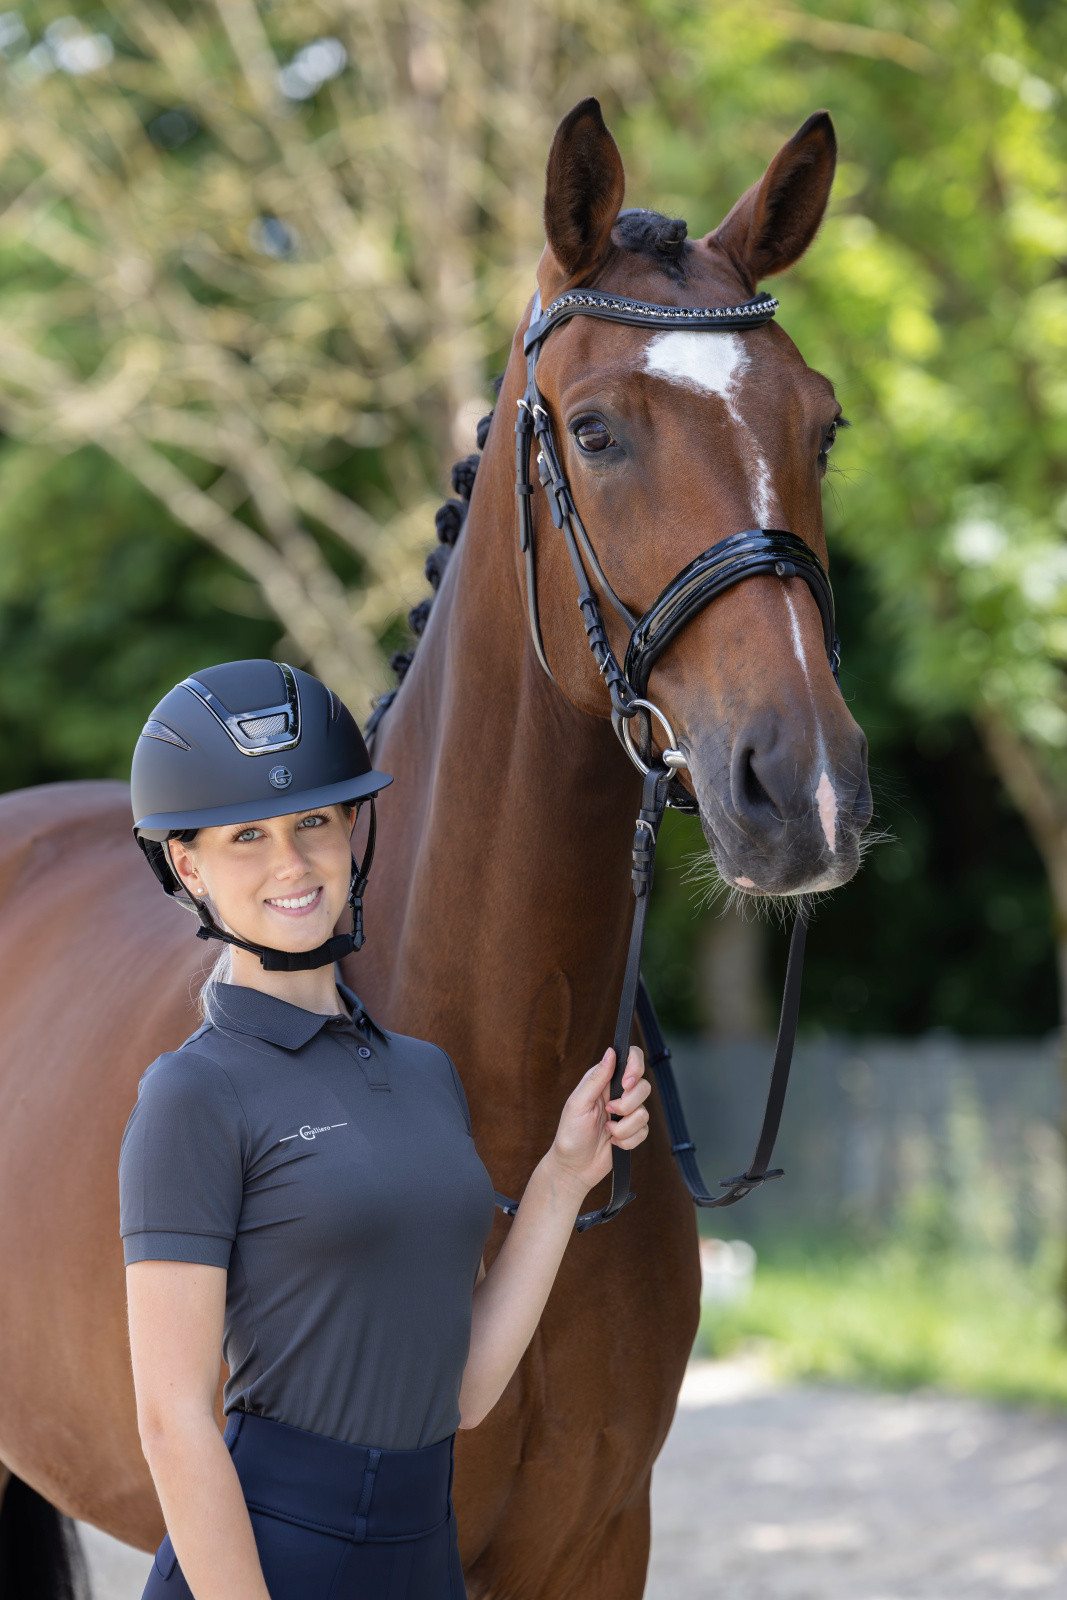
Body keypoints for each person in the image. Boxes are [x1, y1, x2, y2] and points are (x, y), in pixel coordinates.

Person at [120, 658, 651, 1600]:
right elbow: (171, 1421)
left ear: (350, 833)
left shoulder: (422, 1072)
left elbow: (464, 1391)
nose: (291, 862)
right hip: (270, 1557)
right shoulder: (192, 1094)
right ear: (188, 865)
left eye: (313, 823)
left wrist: (565, 1177)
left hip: (421, 1551)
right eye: (247, 836)